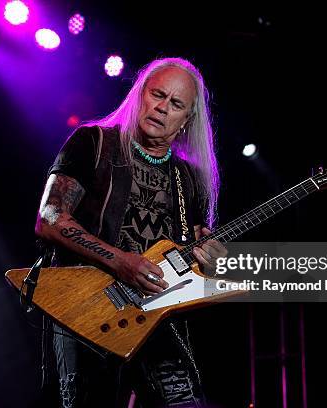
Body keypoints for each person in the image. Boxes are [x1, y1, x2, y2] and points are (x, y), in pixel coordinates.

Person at [34, 57, 227, 407]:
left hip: (156, 317)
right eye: (157, 95)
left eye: (176, 104)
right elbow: (50, 218)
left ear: (187, 120)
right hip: (87, 305)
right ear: (140, 95)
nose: (162, 108)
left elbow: (196, 254)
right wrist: (121, 261)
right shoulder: (93, 143)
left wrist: (210, 262)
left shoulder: (189, 180)